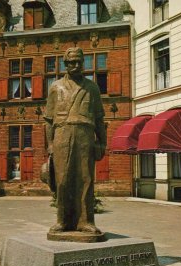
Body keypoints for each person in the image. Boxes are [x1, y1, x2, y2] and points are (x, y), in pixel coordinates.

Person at [44, 47, 106, 234]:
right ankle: (63, 220)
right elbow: (48, 121)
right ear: (66, 64)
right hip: (62, 133)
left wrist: (102, 142)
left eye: (79, 61)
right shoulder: (56, 87)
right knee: (62, 180)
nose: (76, 65)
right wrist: (50, 144)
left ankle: (85, 221)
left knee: (86, 178)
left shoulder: (92, 87)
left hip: (85, 135)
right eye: (72, 62)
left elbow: (99, 119)